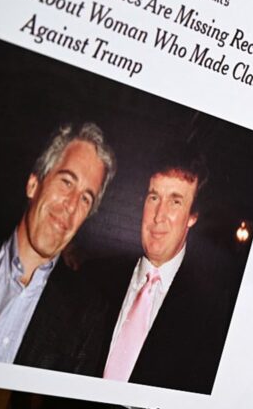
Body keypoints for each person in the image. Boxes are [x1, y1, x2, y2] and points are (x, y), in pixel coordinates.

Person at [0, 123, 116, 375]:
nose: (71, 205)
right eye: (66, 182)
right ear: (33, 184)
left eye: (85, 198)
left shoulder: (87, 318)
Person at [94, 145, 232, 394]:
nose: (159, 215)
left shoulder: (212, 313)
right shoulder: (96, 277)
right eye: (154, 197)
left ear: (193, 216)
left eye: (175, 202)